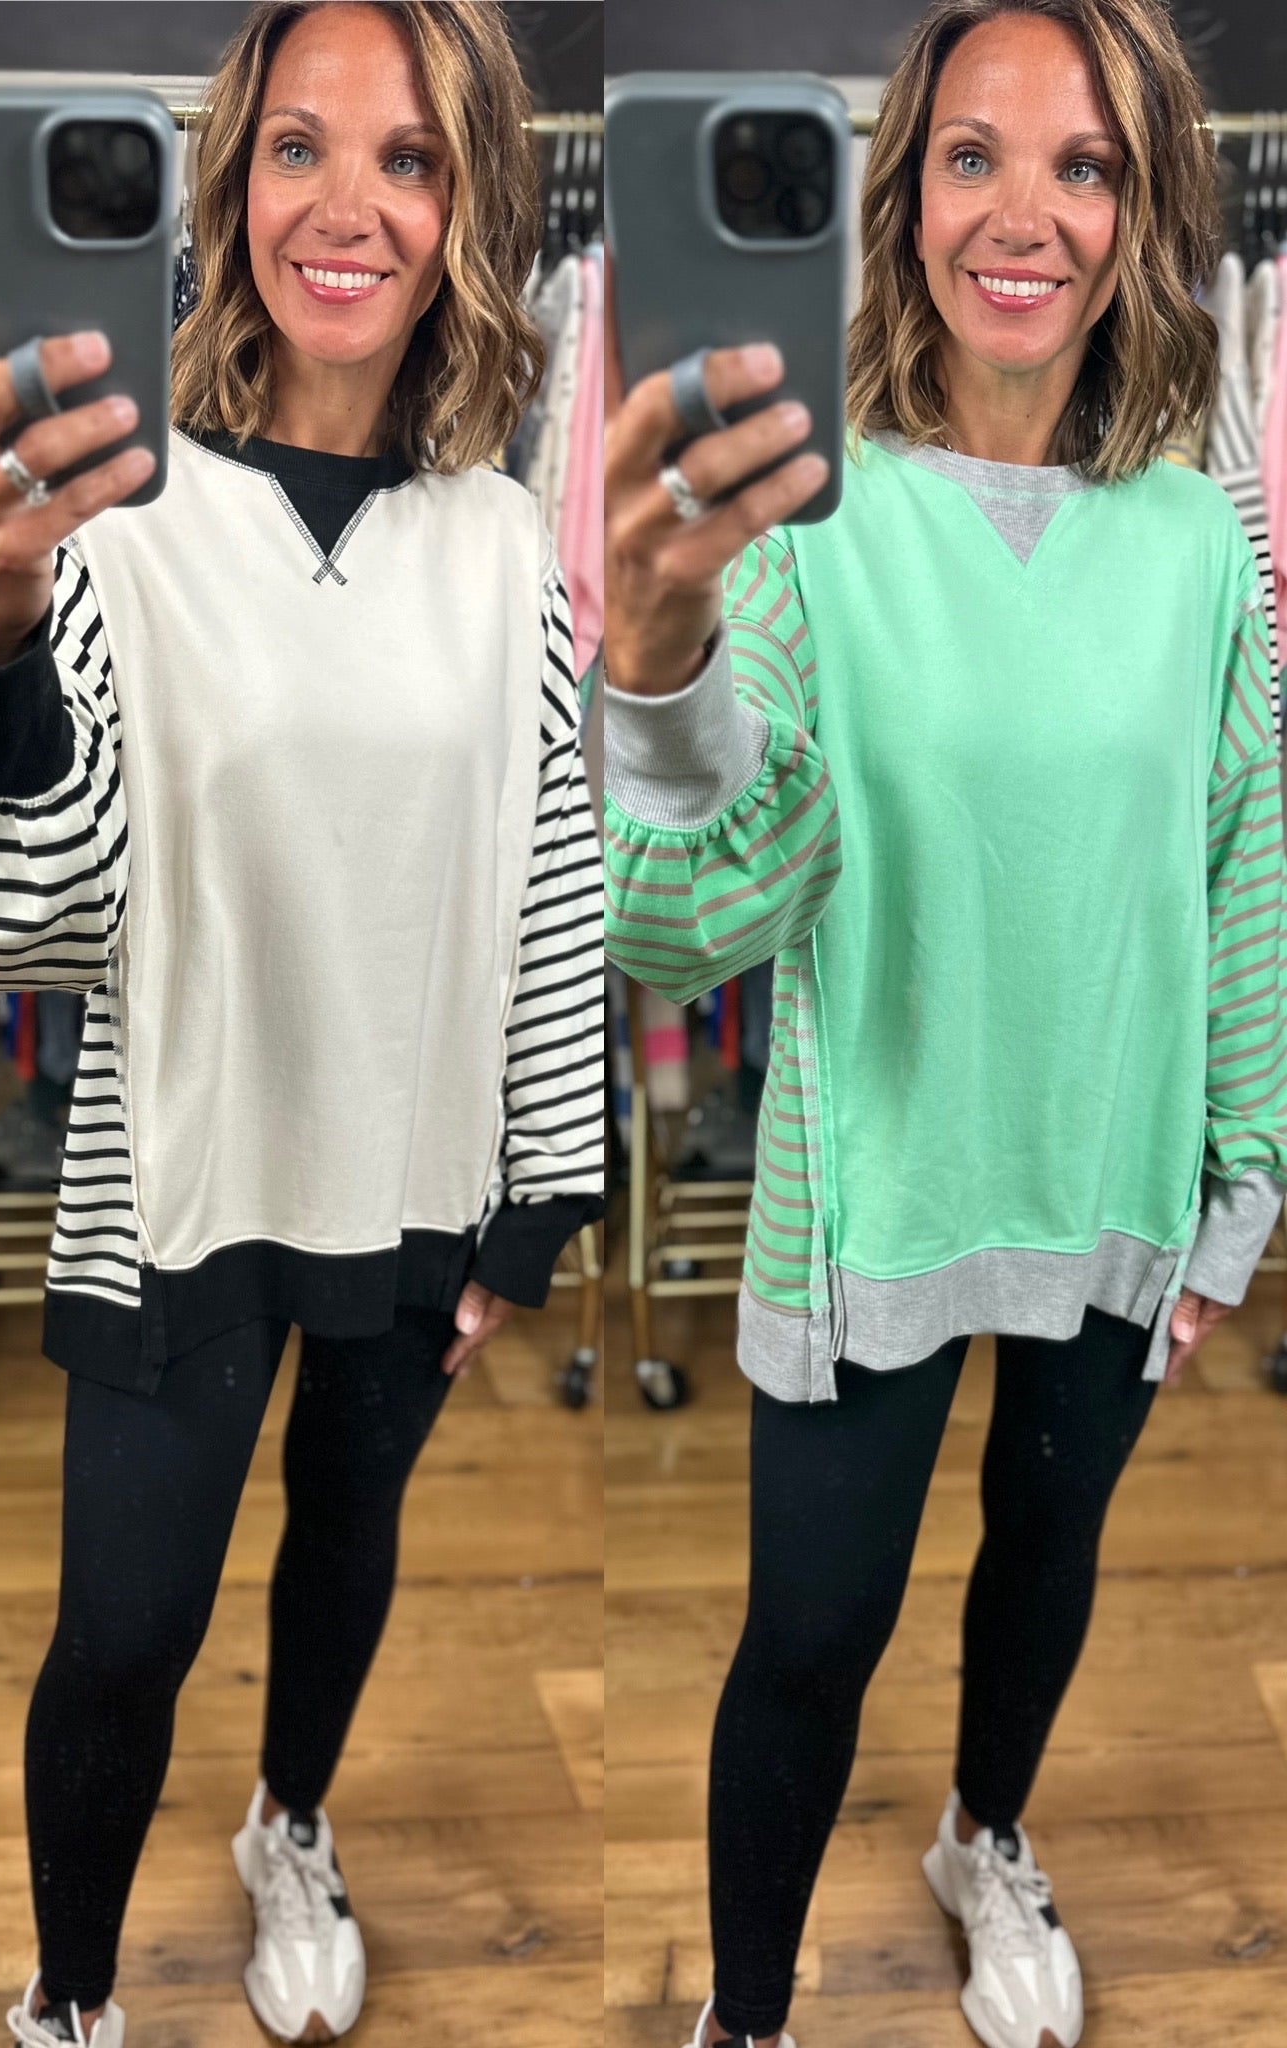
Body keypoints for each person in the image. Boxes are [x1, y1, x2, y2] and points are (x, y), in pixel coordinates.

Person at [0, 3, 607, 2041]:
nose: (347, 206)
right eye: (298, 146)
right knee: (123, 1630)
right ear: (227, 188)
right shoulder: (116, 527)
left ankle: (290, 1817)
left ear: (467, 208)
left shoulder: (505, 545)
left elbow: (552, 875)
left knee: (346, 1535)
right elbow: (12, 919)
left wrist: (536, 1198)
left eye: (408, 159)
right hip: (186, 1174)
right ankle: (67, 1994)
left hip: (417, 1170)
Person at [600, 3, 1287, 2045]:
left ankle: (986, 1832)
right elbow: (686, 923)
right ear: (901, 197)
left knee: (1044, 1558)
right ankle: (744, 2014)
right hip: (876, 1191)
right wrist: (662, 657)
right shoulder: (805, 526)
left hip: (1114, 1176)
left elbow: (1243, 859)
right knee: (809, 1636)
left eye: (1083, 166)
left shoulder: (1198, 532)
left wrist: (1244, 1176)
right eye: (972, 156)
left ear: (1144, 212)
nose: (1023, 215)